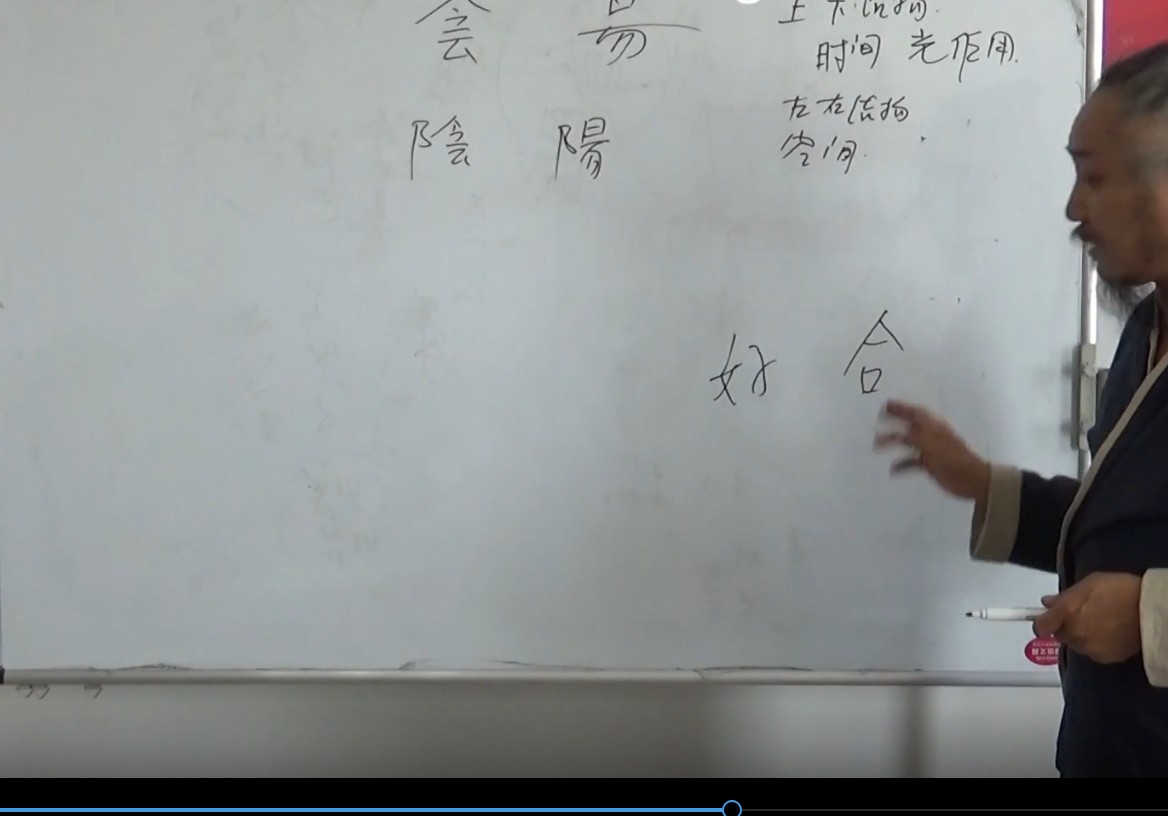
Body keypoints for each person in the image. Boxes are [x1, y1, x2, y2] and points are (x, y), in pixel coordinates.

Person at [875, 40, 1168, 778]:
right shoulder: (1146, 331)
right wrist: (983, 482)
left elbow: (1139, 589)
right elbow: (1125, 533)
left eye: (1094, 177)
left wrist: (1149, 617)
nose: (1073, 207)